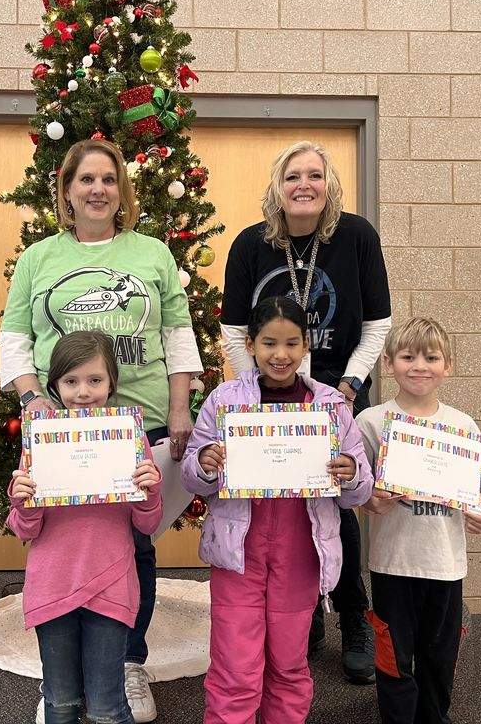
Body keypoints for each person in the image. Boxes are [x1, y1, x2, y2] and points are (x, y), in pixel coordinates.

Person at [0, 139, 202, 722]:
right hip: (57, 424)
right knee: (57, 539)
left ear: (122, 190)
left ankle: (127, 664)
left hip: (141, 419)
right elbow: (14, 338)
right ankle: (58, 677)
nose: (97, 190)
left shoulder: (154, 253)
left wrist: (183, 406)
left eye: (108, 180)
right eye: (85, 179)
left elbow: (178, 336)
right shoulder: (40, 258)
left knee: (134, 544)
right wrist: (33, 397)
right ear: (66, 190)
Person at [220, 140, 392, 683]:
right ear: (277, 185)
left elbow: (377, 324)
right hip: (268, 395)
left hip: (335, 393)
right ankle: (307, 611)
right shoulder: (251, 244)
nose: (303, 185)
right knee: (284, 507)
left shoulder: (357, 236)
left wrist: (345, 386)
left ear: (328, 183)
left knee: (337, 503)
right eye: (293, 176)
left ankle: (352, 616)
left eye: (314, 175)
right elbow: (232, 331)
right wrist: (252, 390)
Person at [182, 296, 373, 724]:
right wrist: (206, 463)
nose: (280, 355)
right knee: (235, 667)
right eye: (269, 343)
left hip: (301, 555)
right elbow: (192, 478)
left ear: (306, 345)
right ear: (250, 344)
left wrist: (350, 472)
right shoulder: (225, 399)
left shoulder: (331, 406)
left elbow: (359, 493)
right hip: (238, 555)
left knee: (288, 665)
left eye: (291, 343)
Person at [8, 330, 163, 724]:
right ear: (55, 385)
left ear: (112, 383)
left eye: (95, 380)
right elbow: (25, 530)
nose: (82, 392)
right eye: (71, 381)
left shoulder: (130, 439)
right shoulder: (41, 440)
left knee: (107, 707)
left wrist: (149, 492)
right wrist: (22, 500)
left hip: (110, 584)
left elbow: (147, 523)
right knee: (59, 703)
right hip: (52, 585)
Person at [357, 317, 481, 724]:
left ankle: (435, 717)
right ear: (388, 362)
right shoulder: (372, 422)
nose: (419, 365)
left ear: (447, 365)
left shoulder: (462, 425)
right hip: (392, 562)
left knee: (440, 655)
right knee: (393, 655)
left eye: (431, 357)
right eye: (408, 356)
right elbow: (354, 488)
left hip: (445, 563)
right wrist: (368, 499)